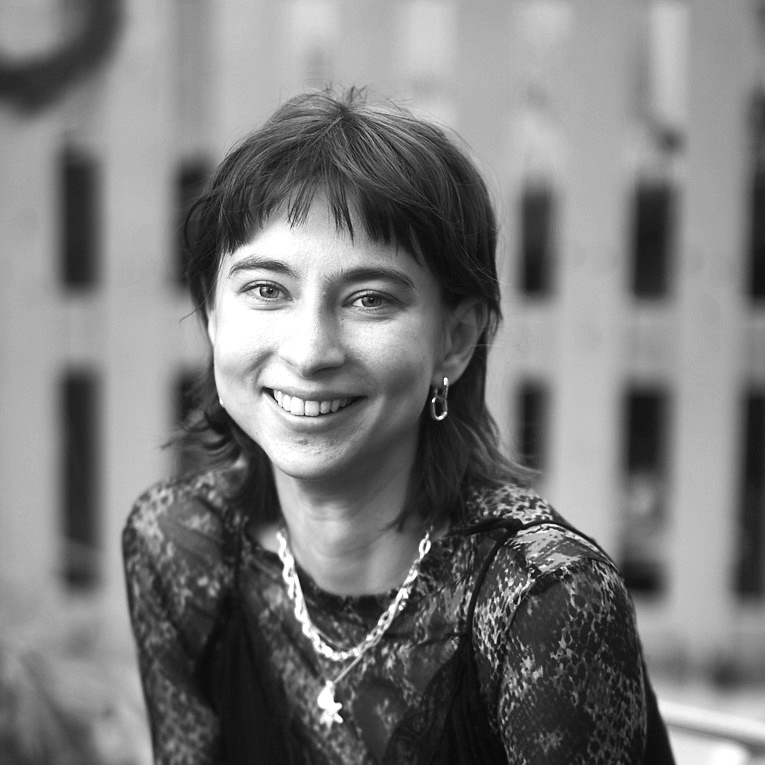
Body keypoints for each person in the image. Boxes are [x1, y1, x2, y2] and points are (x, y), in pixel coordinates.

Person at [123, 87, 674, 764]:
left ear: (455, 340)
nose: (310, 352)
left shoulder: (543, 602)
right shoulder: (181, 545)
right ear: (212, 315)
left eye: (369, 299)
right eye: (267, 290)